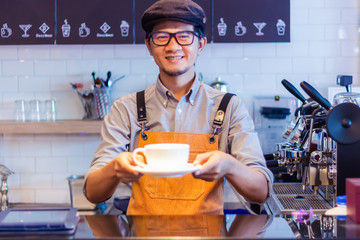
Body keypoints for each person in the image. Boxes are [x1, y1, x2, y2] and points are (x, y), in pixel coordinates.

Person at [84, 0, 273, 215]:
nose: (173, 46)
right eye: (161, 37)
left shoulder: (229, 108)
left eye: (184, 36)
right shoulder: (126, 109)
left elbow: (261, 191)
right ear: (149, 45)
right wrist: (115, 169)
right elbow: (93, 193)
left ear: (200, 44)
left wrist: (229, 165)